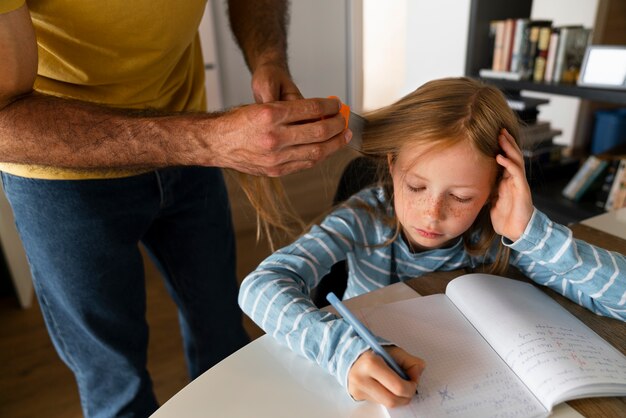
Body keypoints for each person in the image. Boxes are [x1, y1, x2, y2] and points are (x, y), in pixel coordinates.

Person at [0, 1, 351, 417]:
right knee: (114, 380)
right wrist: (208, 141)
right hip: (61, 174)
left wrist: (268, 57)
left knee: (221, 332)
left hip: (189, 141)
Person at [238, 77, 626, 409]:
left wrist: (531, 233)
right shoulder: (365, 218)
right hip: (359, 388)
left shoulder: (495, 236)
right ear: (392, 165)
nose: (432, 213)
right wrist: (344, 352)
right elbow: (260, 287)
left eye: (460, 197)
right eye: (416, 186)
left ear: (496, 189)